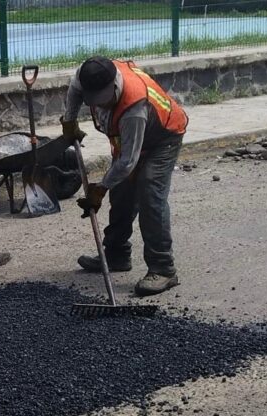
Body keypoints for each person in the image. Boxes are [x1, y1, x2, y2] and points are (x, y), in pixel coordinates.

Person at [60, 56, 188, 296]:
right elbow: (75, 90)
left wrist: (99, 189)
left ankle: (163, 269)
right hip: (132, 139)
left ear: (114, 87)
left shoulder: (134, 108)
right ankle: (116, 255)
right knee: (121, 193)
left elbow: (128, 161)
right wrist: (69, 120)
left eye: (102, 101)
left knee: (150, 192)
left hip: (163, 137)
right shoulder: (87, 73)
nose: (99, 106)